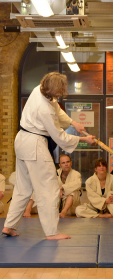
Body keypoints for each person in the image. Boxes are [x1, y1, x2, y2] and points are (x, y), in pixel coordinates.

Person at [2, 72, 95, 240]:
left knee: (23, 188)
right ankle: (52, 232)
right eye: (60, 91)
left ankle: (9, 226)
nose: (61, 94)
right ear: (55, 90)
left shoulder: (39, 89)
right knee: (49, 188)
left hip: (22, 141)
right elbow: (60, 137)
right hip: (35, 145)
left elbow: (56, 108)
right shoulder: (44, 109)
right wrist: (83, 139)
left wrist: (74, 122)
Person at [23, 154, 82, 218]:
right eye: (63, 163)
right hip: (57, 200)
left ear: (71, 163)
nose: (66, 164)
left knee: (73, 192)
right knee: (38, 187)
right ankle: (28, 208)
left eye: (68, 162)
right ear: (60, 165)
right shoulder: (55, 173)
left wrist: (61, 187)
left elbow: (78, 184)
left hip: (70, 204)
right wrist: (57, 189)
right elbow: (48, 184)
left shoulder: (76, 174)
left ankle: (64, 211)